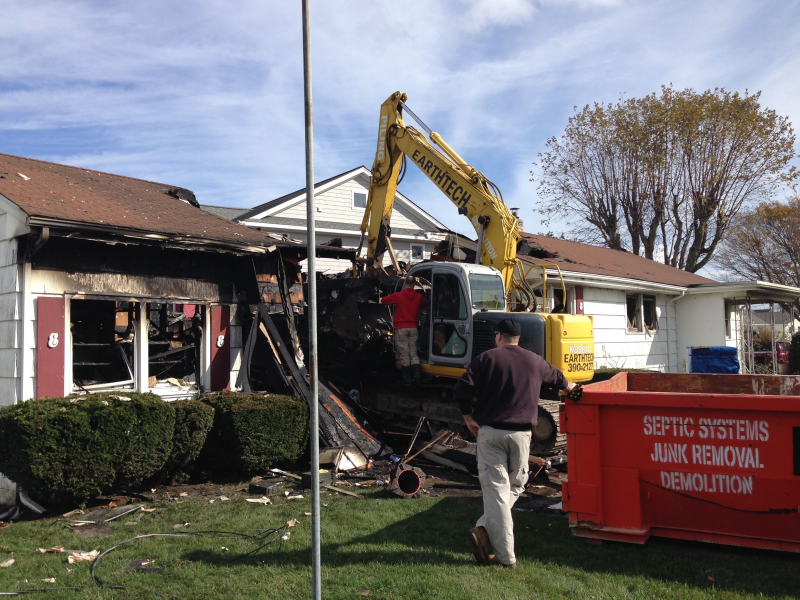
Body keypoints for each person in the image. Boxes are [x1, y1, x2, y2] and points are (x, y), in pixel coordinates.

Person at [453, 318, 577, 568]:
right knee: (516, 485)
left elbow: (461, 390)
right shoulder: (535, 360)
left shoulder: (486, 359)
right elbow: (561, 381)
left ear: (498, 336)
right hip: (522, 436)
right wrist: (573, 388)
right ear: (518, 338)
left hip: (491, 434)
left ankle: (499, 549)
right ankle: (485, 531)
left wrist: (468, 418)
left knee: (497, 491)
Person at [381, 275, 428, 385]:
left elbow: (384, 300)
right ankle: (417, 378)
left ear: (405, 283)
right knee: (413, 353)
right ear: (414, 285)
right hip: (413, 328)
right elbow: (426, 303)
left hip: (401, 328)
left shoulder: (399, 296)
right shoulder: (418, 296)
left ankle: (407, 380)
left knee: (404, 353)